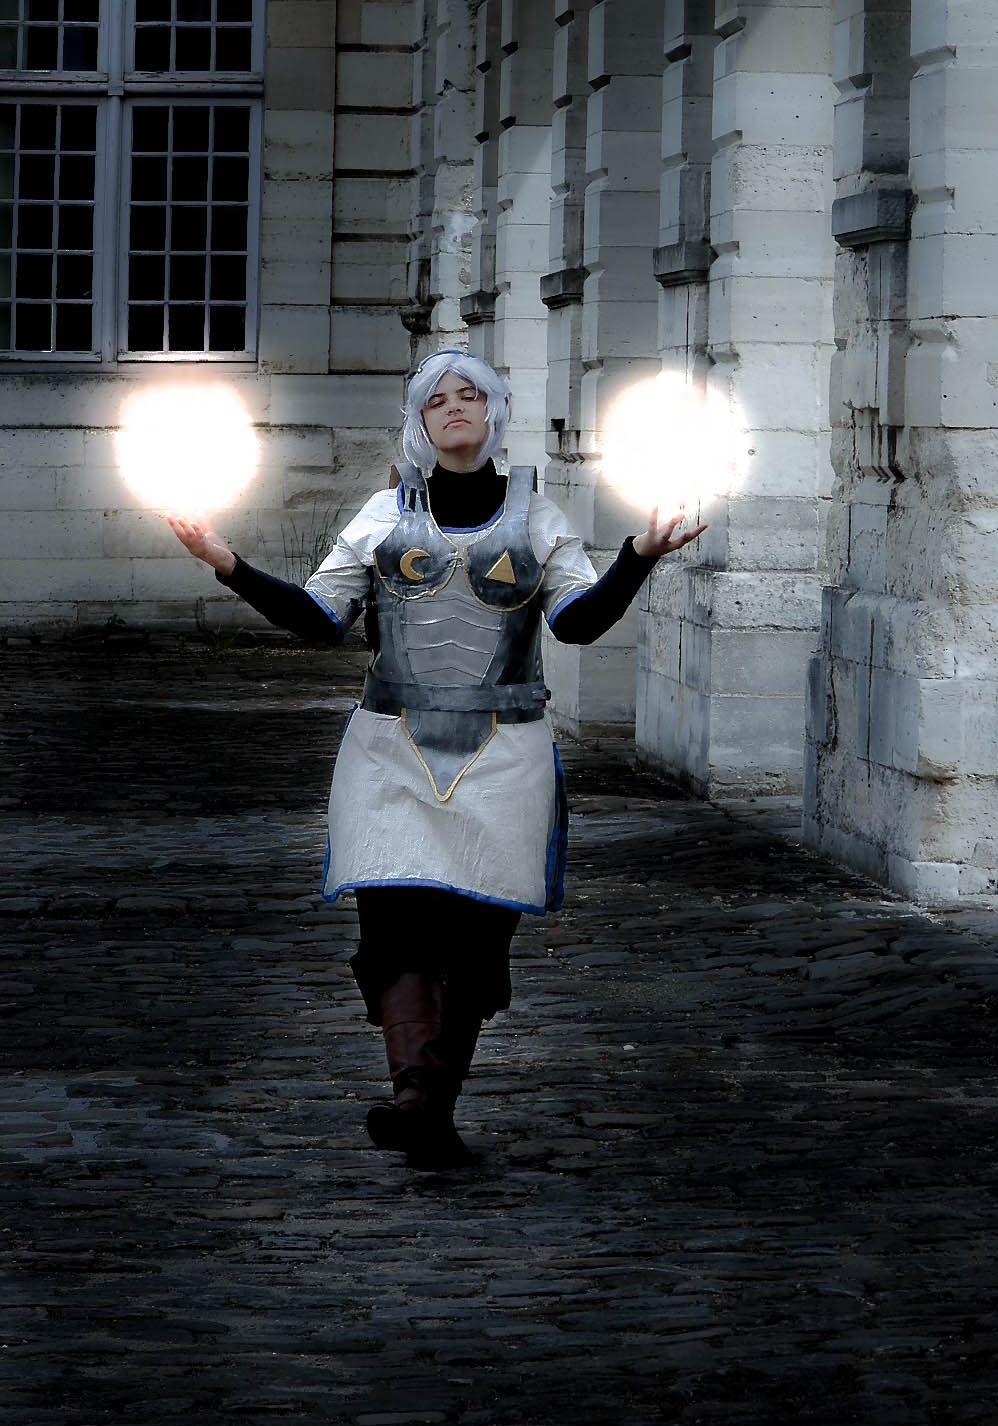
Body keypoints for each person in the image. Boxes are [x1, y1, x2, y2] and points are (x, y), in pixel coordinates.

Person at [168, 348, 703, 1168]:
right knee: (396, 927)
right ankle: (417, 1100)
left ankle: (428, 1114)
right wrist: (227, 564)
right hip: (391, 749)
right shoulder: (383, 515)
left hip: (504, 752)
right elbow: (320, 619)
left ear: (493, 412)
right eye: (437, 399)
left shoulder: (538, 517)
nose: (455, 407)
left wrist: (639, 554)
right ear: (419, 421)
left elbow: (576, 623)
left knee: (478, 943)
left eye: (470, 395)